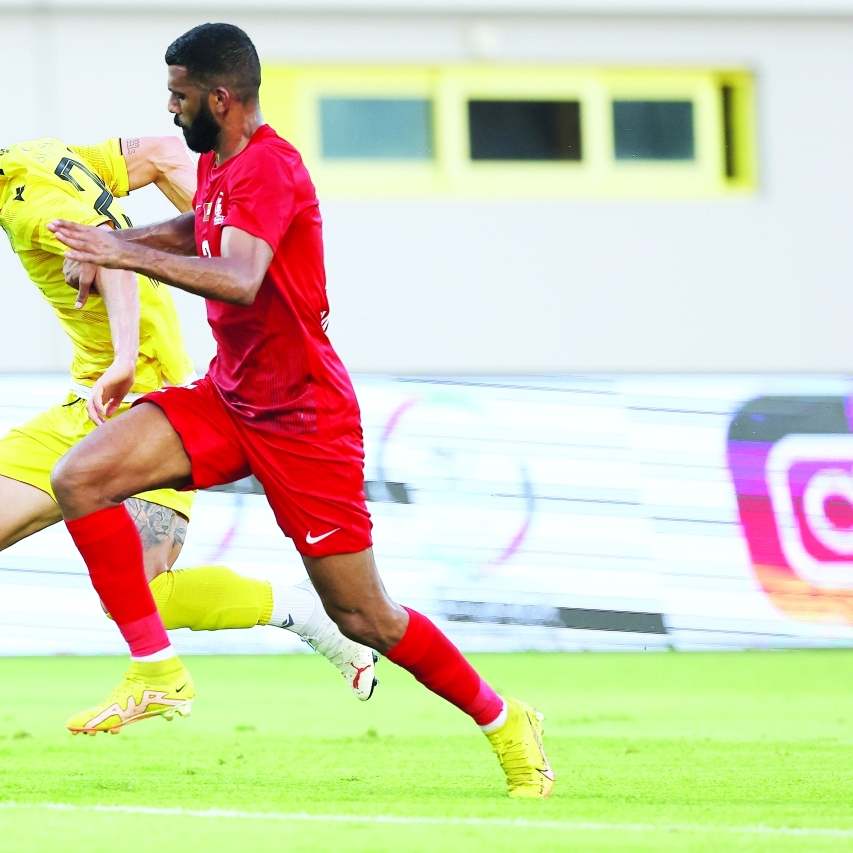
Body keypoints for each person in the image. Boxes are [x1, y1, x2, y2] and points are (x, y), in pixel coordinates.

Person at [0, 95, 377, 772]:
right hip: (84, 404)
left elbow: (107, 254)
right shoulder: (37, 157)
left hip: (145, 399)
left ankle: (305, 615)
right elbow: (160, 155)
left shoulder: (29, 205)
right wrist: (218, 226)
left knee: (149, 590)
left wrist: (123, 355)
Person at [46, 25, 554, 797]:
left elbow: (241, 276)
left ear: (221, 98)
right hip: (229, 395)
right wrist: (123, 236)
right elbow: (203, 227)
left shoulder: (273, 165)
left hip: (304, 417)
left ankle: (504, 719)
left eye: (179, 95)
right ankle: (156, 671)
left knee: (365, 617)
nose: (171, 109)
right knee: (79, 476)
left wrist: (123, 253)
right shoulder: (219, 162)